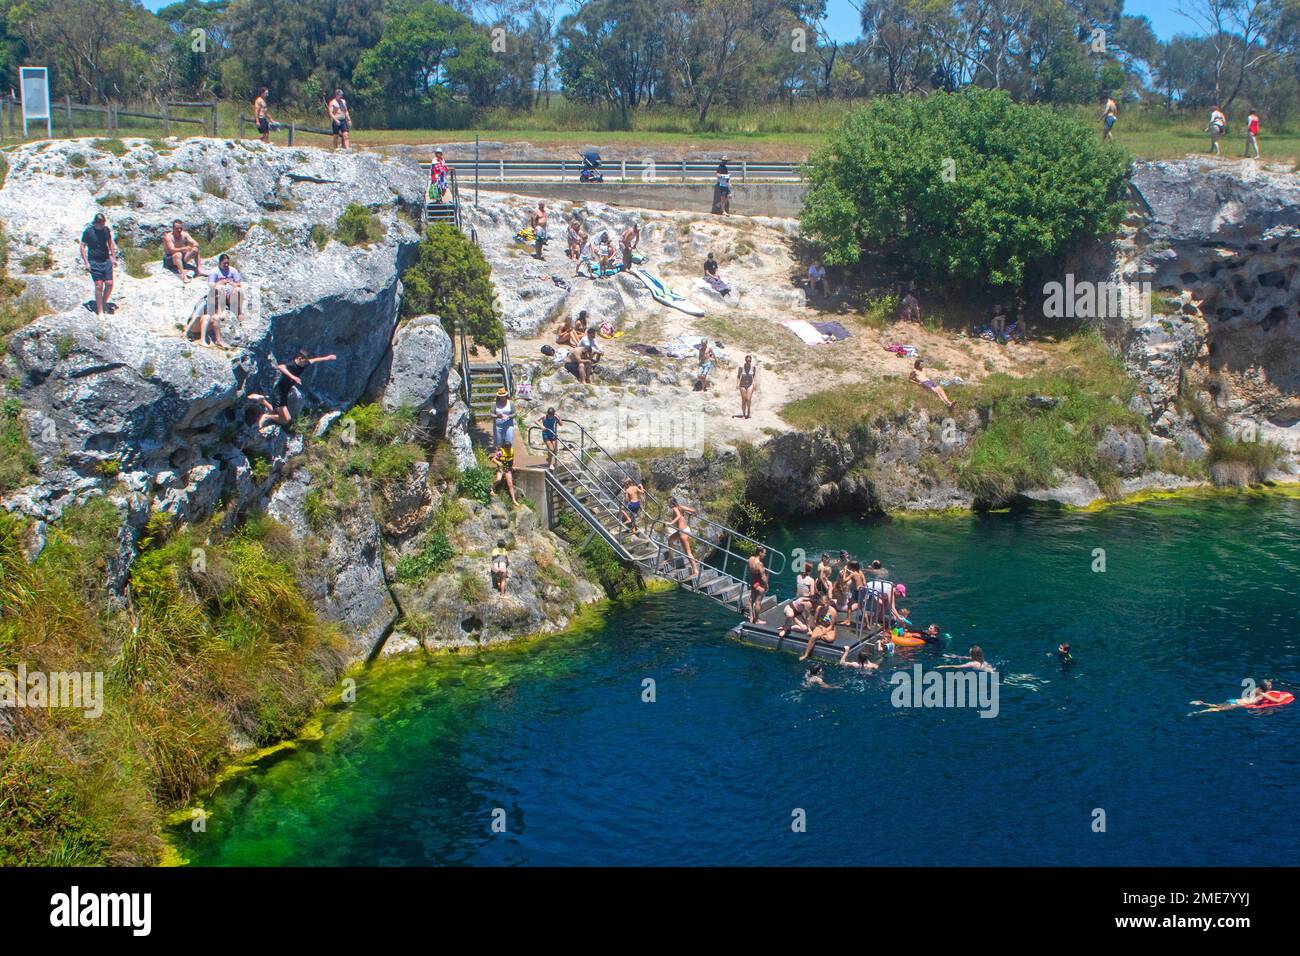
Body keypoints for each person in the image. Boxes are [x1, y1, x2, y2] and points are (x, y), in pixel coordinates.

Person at [246, 350, 336, 430]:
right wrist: (293, 377)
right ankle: (266, 417)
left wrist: (327, 358)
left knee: (274, 412)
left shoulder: (303, 364)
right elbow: (280, 367)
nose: (306, 363)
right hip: (279, 393)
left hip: (284, 392)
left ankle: (263, 400)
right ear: (299, 358)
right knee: (286, 419)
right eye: (305, 361)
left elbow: (315, 360)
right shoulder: (291, 364)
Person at [79, 212, 116, 320]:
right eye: (100, 224)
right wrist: (86, 262)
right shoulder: (88, 231)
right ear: (95, 223)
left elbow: (110, 242)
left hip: (106, 259)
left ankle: (103, 302)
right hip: (94, 261)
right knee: (99, 285)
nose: (102, 226)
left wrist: (113, 257)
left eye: (103, 223)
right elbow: (82, 246)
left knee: (109, 283)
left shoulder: (106, 230)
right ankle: (100, 311)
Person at [1191, 679, 1287, 714]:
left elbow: (1267, 691)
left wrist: (1272, 690)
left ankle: (1202, 703)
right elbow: (1277, 700)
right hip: (1236, 704)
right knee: (1218, 710)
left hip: (1234, 700)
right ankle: (1198, 712)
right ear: (1266, 688)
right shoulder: (1263, 694)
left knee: (1217, 705)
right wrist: (1284, 696)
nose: (1271, 687)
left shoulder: (1256, 689)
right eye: (1270, 686)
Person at [799, 594, 840, 661]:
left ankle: (819, 636)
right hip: (820, 625)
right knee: (813, 637)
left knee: (830, 639)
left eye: (824, 604)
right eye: (821, 604)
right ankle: (806, 654)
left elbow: (831, 626)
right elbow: (815, 621)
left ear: (828, 603)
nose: (822, 606)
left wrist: (823, 632)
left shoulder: (833, 612)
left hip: (829, 627)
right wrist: (820, 627)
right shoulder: (819, 608)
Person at [666, 497, 699, 578]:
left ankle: (695, 571)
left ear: (672, 503)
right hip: (685, 529)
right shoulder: (681, 507)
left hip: (682, 532)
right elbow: (694, 510)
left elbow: (678, 516)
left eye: (668, 502)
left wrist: (670, 523)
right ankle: (670, 557)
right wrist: (694, 515)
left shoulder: (674, 508)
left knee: (688, 552)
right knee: (670, 540)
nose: (668, 504)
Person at [162, 219, 202, 284]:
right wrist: (184, 248)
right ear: (173, 229)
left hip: (181, 258)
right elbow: (172, 249)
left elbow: (194, 242)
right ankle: (183, 276)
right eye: (177, 228)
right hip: (170, 259)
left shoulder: (184, 234)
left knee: (195, 249)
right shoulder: (168, 237)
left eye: (180, 228)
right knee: (178, 254)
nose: (179, 230)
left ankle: (199, 269)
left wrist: (194, 245)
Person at [208, 254, 245, 322]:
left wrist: (232, 283)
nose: (226, 265)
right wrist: (220, 282)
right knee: (218, 288)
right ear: (220, 262)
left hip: (230, 294)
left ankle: (239, 312)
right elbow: (211, 285)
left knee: (238, 290)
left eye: (227, 263)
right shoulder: (214, 271)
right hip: (219, 295)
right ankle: (219, 311)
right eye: (224, 263)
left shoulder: (233, 270)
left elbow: (239, 284)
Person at [492, 441, 519, 506]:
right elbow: (493, 459)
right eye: (508, 447)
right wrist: (498, 463)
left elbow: (513, 459)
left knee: (510, 484)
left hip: (508, 469)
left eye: (510, 447)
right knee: (498, 479)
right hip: (501, 469)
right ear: (505, 447)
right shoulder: (500, 452)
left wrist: (513, 466)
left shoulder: (512, 451)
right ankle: (491, 488)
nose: (509, 448)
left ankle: (513, 500)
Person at [746, 546, 769, 624]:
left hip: (753, 582)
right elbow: (763, 577)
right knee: (758, 602)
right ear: (760, 553)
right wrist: (766, 585)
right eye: (764, 553)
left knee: (751, 600)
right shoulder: (760, 564)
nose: (765, 555)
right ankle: (757, 620)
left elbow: (748, 567)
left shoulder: (750, 559)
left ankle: (751, 617)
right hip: (758, 584)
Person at [736, 354, 757, 419]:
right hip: (742, 384)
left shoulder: (753, 367)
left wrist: (754, 382)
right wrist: (737, 383)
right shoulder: (741, 367)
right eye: (747, 360)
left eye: (750, 361)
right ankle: (744, 414)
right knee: (744, 400)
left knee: (748, 399)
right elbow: (738, 376)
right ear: (745, 360)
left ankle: (749, 410)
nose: (749, 362)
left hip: (750, 384)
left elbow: (754, 375)